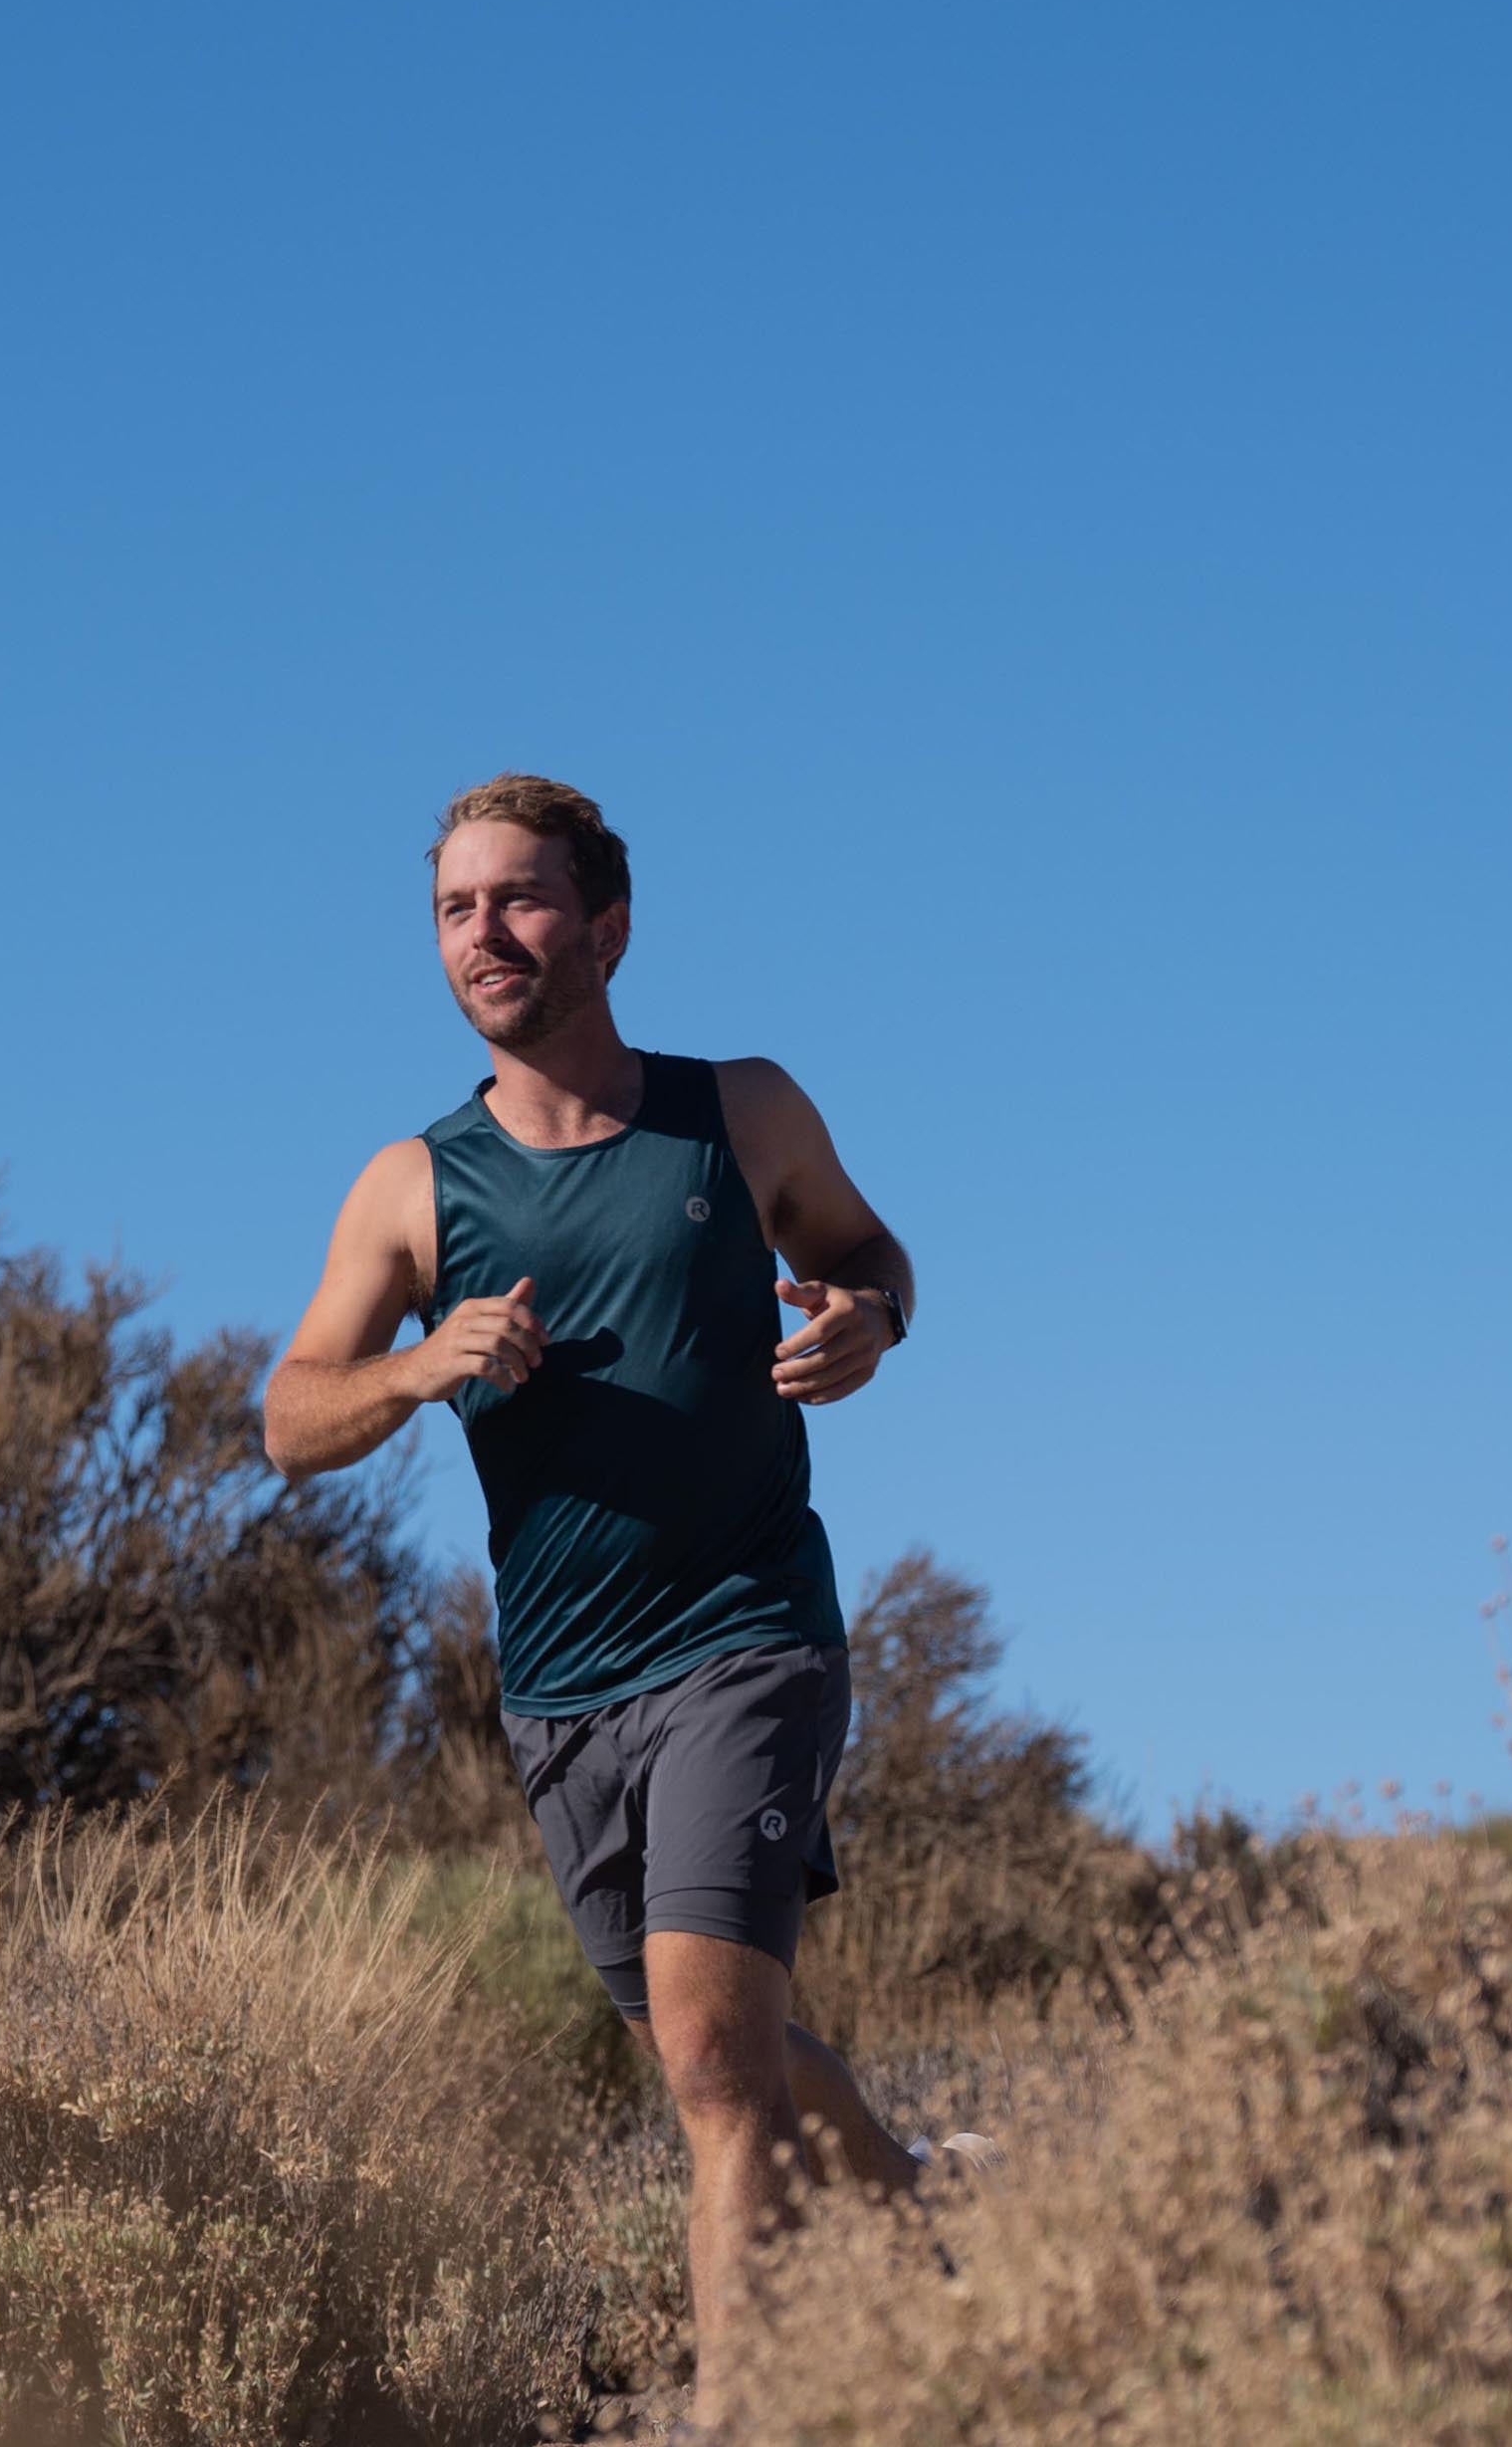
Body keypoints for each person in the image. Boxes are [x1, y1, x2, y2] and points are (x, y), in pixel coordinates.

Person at [264, 772, 983, 2436]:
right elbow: (289, 1416)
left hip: (747, 1631)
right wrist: (419, 1364)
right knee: (722, 2044)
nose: (484, 935)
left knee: (713, 2071)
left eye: (517, 899)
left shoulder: (735, 1113)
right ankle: (918, 2205)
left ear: (608, 924)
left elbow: (880, 1262)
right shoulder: (411, 1186)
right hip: (563, 1689)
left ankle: (741, 2417)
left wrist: (862, 1326)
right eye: (455, 908)